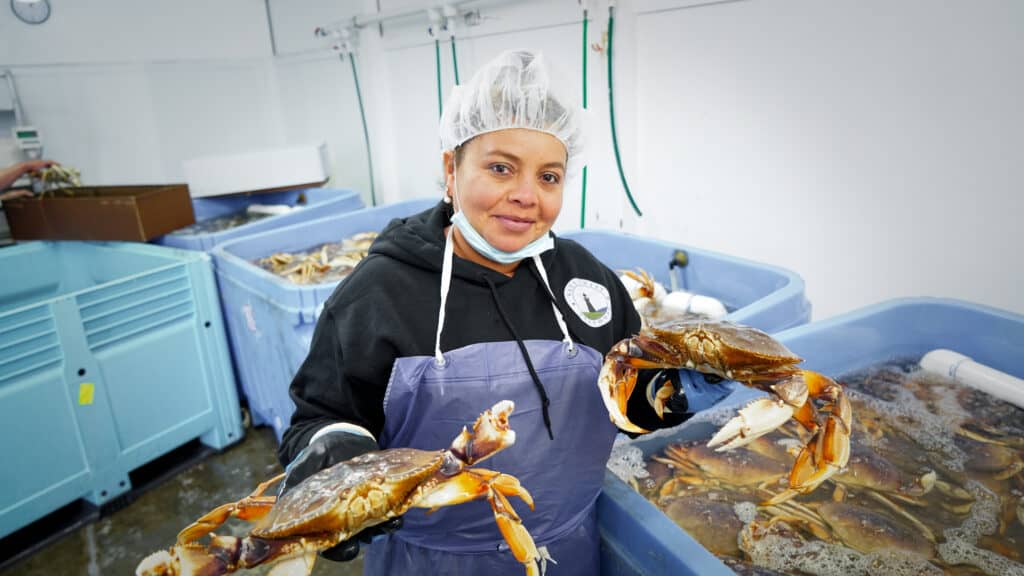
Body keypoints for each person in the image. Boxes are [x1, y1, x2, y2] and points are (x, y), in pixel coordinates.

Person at [277, 50, 733, 574]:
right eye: (500, 168)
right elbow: (317, 420)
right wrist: (334, 455)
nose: (525, 196)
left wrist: (670, 396)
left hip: (569, 550)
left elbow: (624, 407)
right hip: (430, 561)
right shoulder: (377, 295)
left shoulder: (590, 283)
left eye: (548, 177)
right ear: (451, 169)